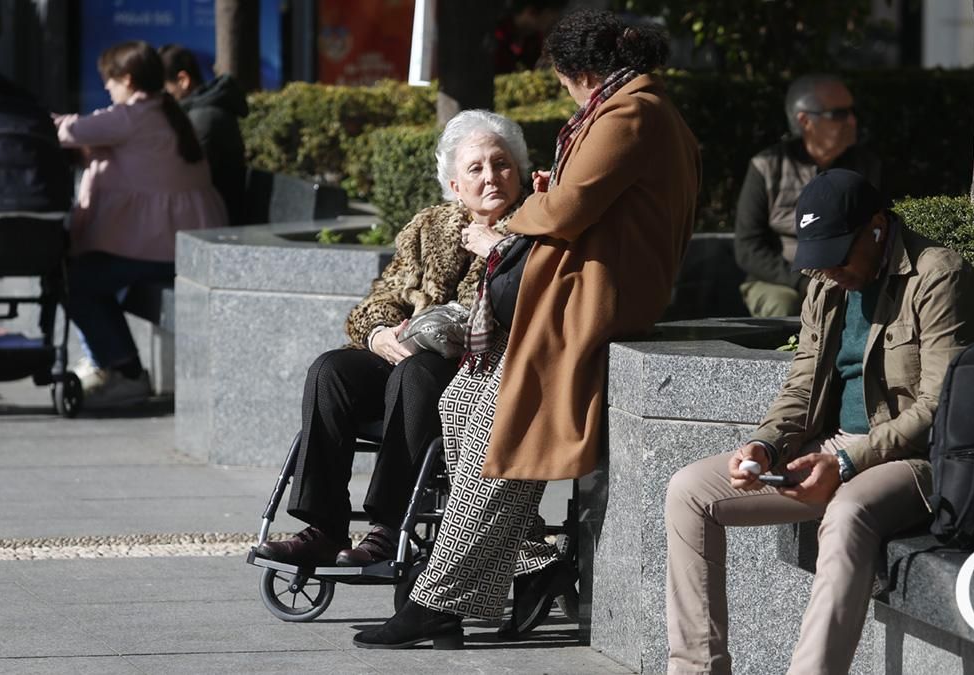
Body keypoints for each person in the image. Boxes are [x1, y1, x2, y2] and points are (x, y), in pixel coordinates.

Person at [353, 8, 700, 649]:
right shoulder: (637, 107)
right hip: (587, 295)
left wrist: (515, 221)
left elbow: (567, 208)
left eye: (563, 81)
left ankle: (440, 600)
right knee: (462, 400)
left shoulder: (630, 111)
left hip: (593, 304)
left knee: (498, 422)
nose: (566, 94)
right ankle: (533, 562)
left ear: (578, 71)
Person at [664, 169, 974, 675]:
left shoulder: (940, 278)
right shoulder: (825, 285)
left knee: (846, 514)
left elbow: (941, 407)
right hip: (832, 449)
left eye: (839, 255)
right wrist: (765, 446)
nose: (829, 270)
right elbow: (802, 386)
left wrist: (845, 462)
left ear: (878, 228)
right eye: (819, 259)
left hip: (917, 459)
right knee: (688, 491)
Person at [254, 110, 531, 569]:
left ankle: (387, 526)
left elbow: (530, 304)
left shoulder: (532, 227)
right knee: (330, 370)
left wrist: (497, 249)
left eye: (501, 164)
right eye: (476, 168)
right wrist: (379, 333)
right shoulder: (429, 228)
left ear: (518, 170)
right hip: (408, 353)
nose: (490, 177)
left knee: (414, 374)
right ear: (455, 185)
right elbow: (382, 296)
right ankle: (323, 527)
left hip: (481, 369)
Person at [54, 41, 226, 407]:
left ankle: (126, 371)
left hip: (162, 248)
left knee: (75, 281)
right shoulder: (163, 110)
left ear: (128, 80)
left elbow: (68, 131)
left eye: (110, 79)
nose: (106, 87)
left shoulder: (132, 116)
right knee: (86, 274)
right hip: (183, 243)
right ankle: (112, 362)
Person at [734, 74, 882, 318]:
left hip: (849, 275)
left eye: (852, 111)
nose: (852, 121)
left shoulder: (865, 166)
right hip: (780, 281)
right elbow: (748, 247)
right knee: (783, 304)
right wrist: (802, 282)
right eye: (839, 114)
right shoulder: (767, 167)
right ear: (805, 121)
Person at [158, 44, 248, 225]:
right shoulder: (199, 113)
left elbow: (184, 176)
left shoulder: (203, 119)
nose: (159, 99)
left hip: (217, 220)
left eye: (164, 90)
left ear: (183, 80)